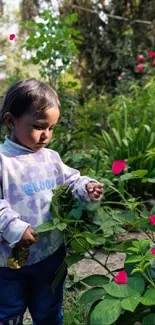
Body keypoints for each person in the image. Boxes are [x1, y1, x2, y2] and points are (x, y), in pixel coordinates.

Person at [0, 79, 104, 325]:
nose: (46, 135)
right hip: (7, 261)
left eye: (52, 128)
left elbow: (71, 180)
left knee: (49, 310)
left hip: (50, 255)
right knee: (8, 312)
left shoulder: (51, 159)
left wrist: (85, 187)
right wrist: (15, 227)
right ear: (10, 121)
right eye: (38, 126)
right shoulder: (4, 162)